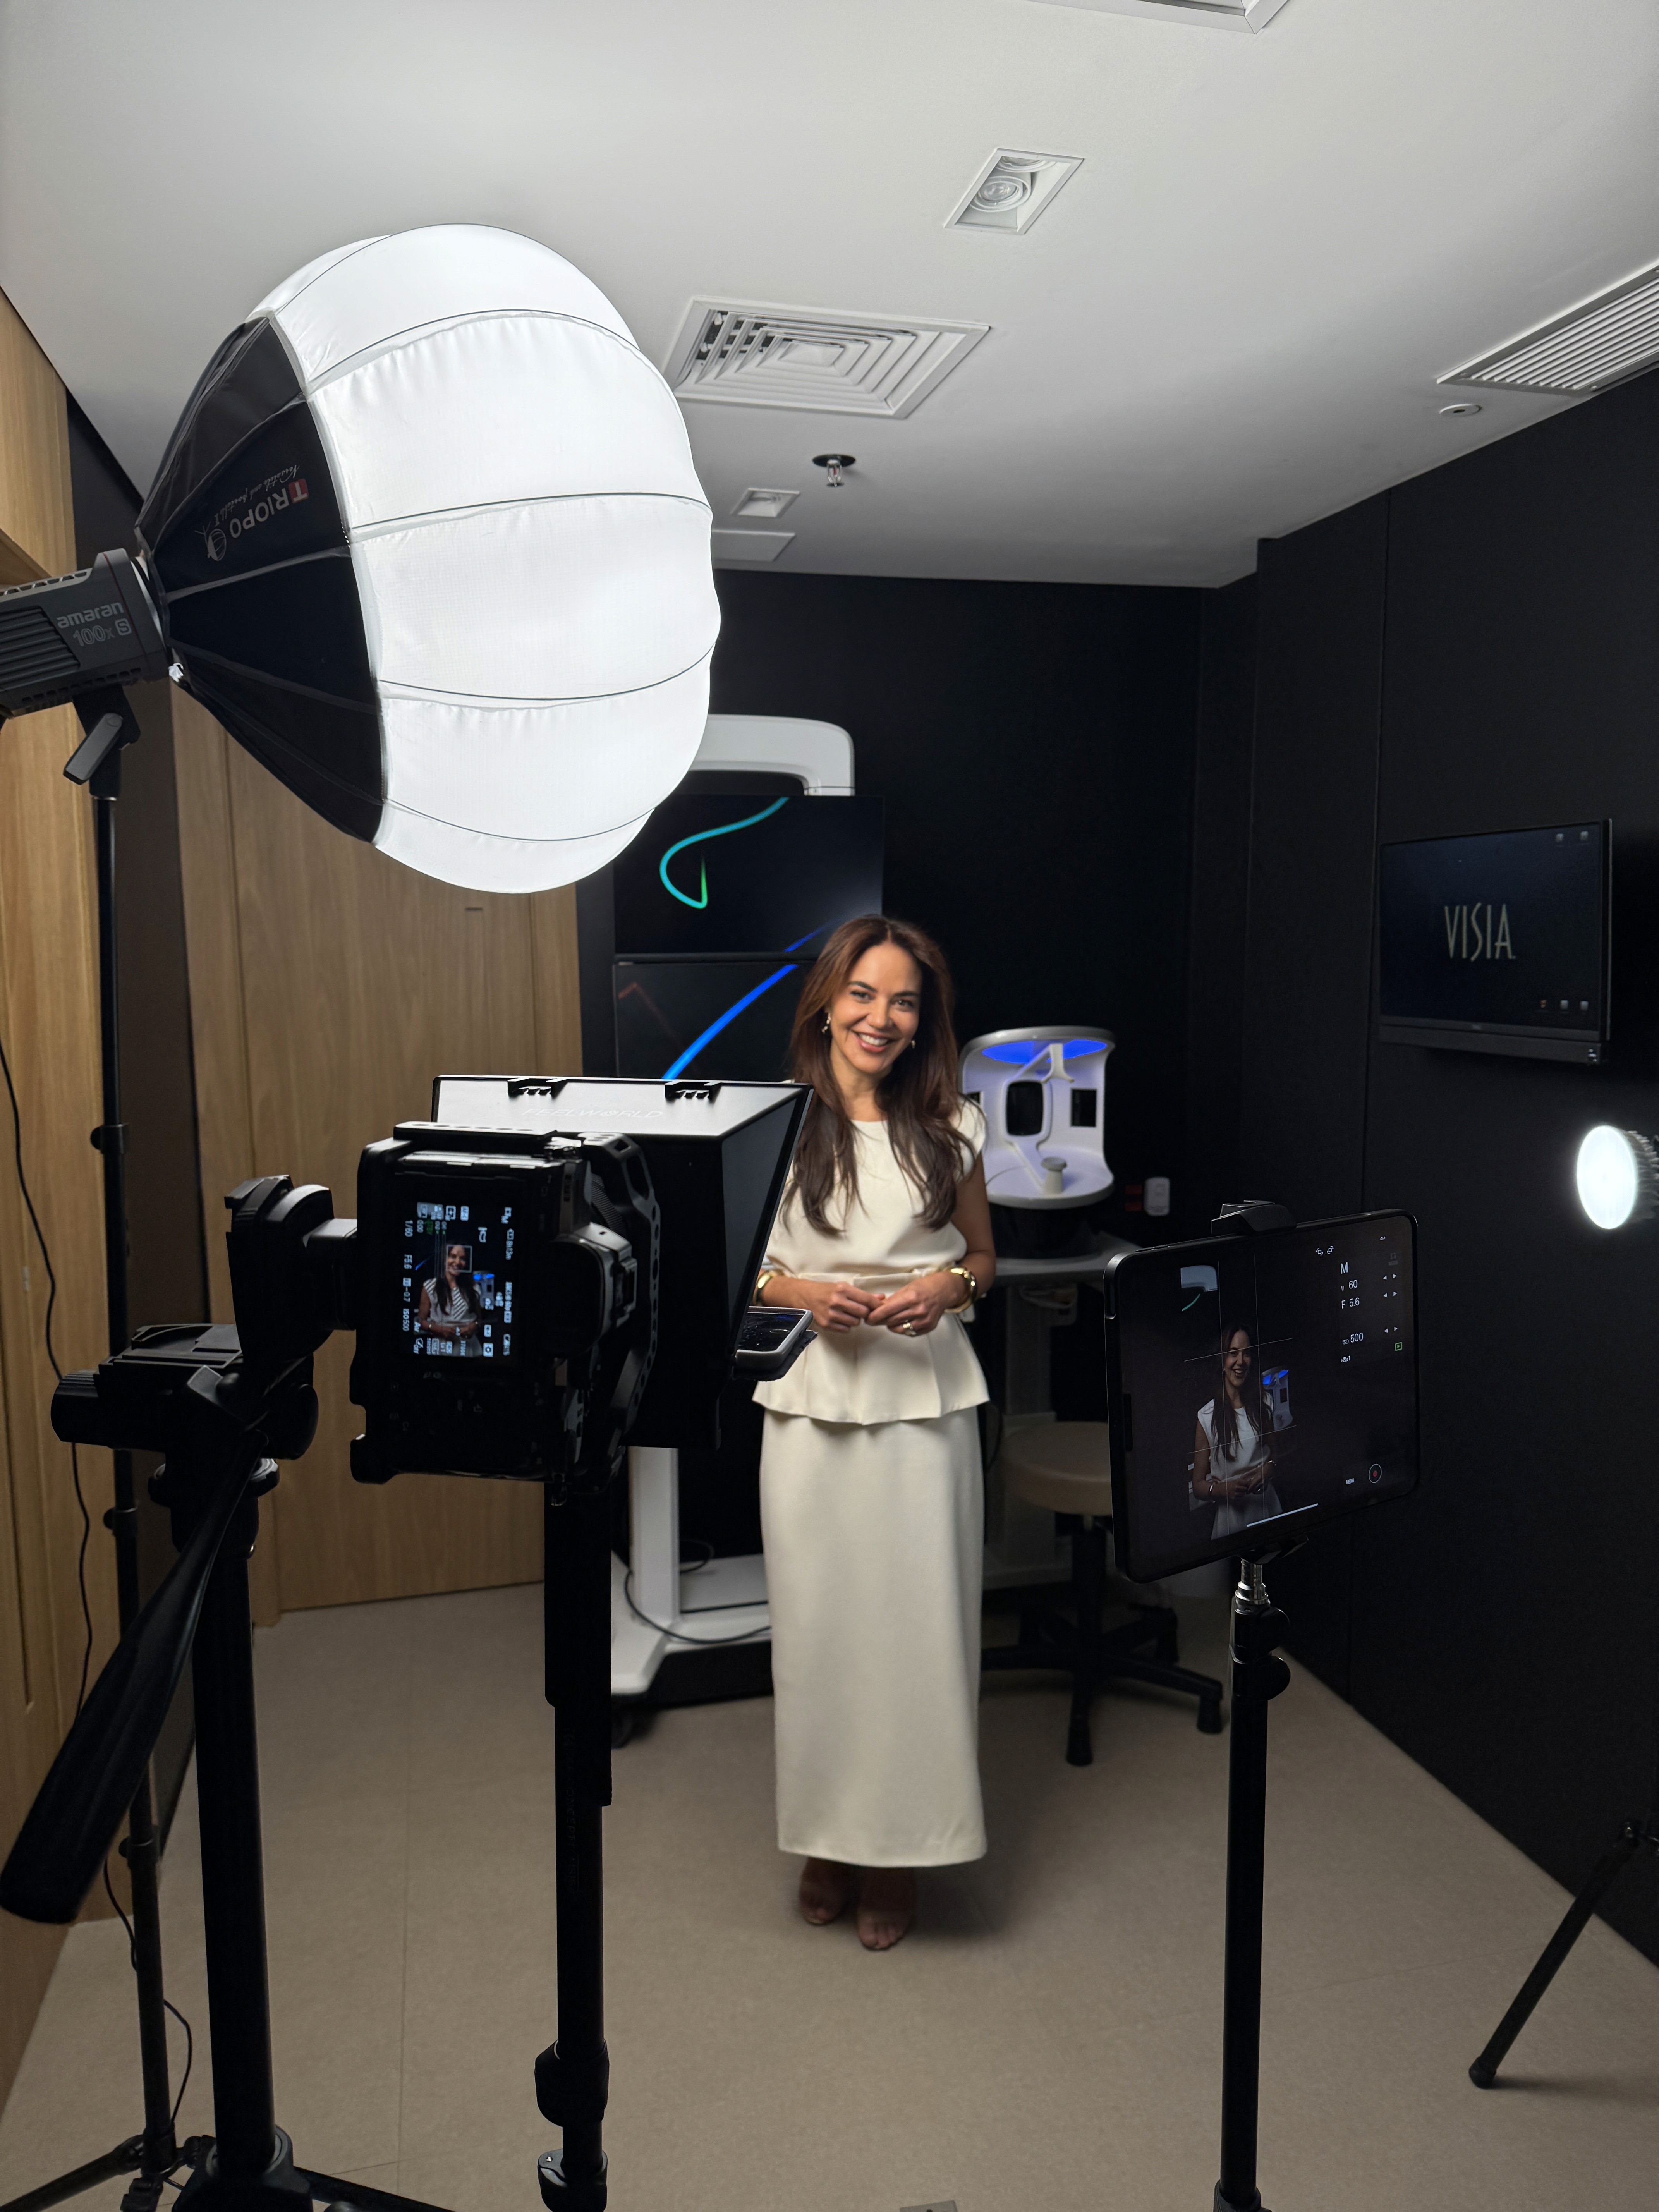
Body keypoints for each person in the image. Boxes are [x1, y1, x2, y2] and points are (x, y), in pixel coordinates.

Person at [753, 914, 996, 1952]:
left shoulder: (953, 1129)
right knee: (821, 1636)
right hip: (811, 1403)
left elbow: (981, 1260)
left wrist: (945, 1286)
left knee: (917, 1634)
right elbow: (744, 1273)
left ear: (921, 1020)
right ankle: (829, 1839)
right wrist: (796, 1289)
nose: (880, 1017)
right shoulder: (770, 1125)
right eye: (862, 994)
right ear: (826, 1002)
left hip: (922, 1405)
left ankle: (901, 1852)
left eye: (901, 1001)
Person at [1192, 1325, 1283, 1539]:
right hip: (1232, 1522)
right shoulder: (1206, 1417)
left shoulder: (1264, 1403)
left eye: (1246, 1354)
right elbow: (1198, 1486)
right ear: (1223, 1361)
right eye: (1233, 1353)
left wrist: (1269, 1469)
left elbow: (1276, 1455)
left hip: (1267, 1510)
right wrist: (1223, 1490)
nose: (1240, 1361)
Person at [417, 1242, 483, 1355]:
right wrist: (437, 1329)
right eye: (453, 1256)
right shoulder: (430, 1287)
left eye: (462, 1259)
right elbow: (419, 1322)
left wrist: (474, 1326)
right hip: (441, 1348)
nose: (457, 1262)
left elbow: (480, 1320)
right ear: (444, 1259)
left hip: (468, 1347)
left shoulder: (474, 1288)